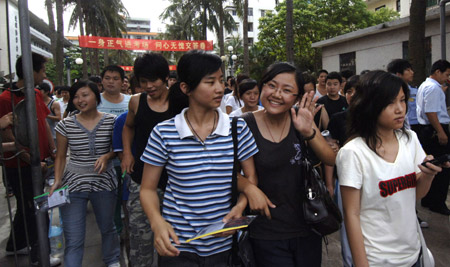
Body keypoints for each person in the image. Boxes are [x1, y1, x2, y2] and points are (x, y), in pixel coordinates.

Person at [139, 50, 271, 267]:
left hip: (225, 245)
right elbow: (147, 189)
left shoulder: (237, 129)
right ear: (186, 88)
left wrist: (240, 207)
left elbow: (251, 177)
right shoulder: (164, 132)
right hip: (178, 246)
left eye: (220, 80)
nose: (220, 88)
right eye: (210, 82)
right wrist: (157, 222)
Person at [337, 70, 446, 266]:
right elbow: (351, 214)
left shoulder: (409, 139)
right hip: (377, 258)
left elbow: (417, 193)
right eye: (390, 103)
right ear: (370, 105)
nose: (400, 109)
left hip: (413, 254)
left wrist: (428, 175)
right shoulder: (353, 153)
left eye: (403, 100)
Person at [242, 62, 335, 266]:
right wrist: (248, 188)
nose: (276, 94)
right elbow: (227, 171)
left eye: (286, 90)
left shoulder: (299, 120)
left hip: (308, 225)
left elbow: (330, 158)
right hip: (266, 231)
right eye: (271, 86)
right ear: (262, 87)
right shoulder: (243, 124)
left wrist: (308, 131)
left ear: (297, 97)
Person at [50, 80, 120, 267]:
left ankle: (112, 260)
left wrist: (107, 156)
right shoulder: (65, 125)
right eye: (76, 97)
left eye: (85, 95)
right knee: (74, 238)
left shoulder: (112, 121)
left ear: (96, 97)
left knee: (107, 228)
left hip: (104, 183)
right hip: (73, 185)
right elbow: (61, 157)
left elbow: (118, 149)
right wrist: (57, 180)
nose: (80, 100)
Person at [0, 52, 59, 266]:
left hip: (41, 161)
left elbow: (43, 123)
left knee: (27, 207)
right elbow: (9, 136)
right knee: (37, 208)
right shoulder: (6, 99)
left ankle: (15, 245)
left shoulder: (34, 94)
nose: (43, 75)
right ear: (29, 71)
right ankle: (39, 255)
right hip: (19, 164)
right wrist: (31, 160)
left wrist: (53, 152)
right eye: (41, 71)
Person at [121, 53, 174, 267]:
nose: (149, 86)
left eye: (154, 80)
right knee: (140, 239)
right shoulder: (136, 101)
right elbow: (128, 127)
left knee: (171, 241)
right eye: (143, 81)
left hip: (175, 183)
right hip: (141, 179)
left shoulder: (180, 101)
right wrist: (127, 152)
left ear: (165, 77)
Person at [416, 59, 450, 216]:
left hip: (427, 130)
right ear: (437, 72)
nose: (447, 78)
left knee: (430, 164)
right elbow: (431, 112)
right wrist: (441, 132)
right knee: (442, 166)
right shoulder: (434, 88)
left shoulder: (425, 86)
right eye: (447, 74)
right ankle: (437, 202)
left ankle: (428, 199)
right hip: (436, 129)